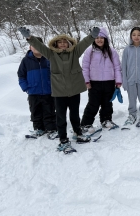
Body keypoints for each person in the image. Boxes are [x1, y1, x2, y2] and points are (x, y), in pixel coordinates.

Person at [18, 26, 100, 154]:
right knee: (60, 117)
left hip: (74, 90)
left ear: (68, 43)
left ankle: (78, 134)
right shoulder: (51, 54)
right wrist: (29, 37)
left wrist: (92, 36)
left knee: (74, 115)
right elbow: (39, 46)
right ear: (55, 44)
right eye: (60, 42)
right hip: (59, 92)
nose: (62, 44)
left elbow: (84, 43)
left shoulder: (75, 52)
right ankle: (63, 140)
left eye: (64, 42)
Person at [80, 27, 122, 131]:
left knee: (107, 103)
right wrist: (87, 81)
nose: (99, 40)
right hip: (94, 83)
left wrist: (118, 81)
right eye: (97, 37)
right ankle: (86, 123)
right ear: (93, 39)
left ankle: (106, 120)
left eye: (102, 37)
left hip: (109, 82)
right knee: (93, 104)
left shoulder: (111, 51)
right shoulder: (90, 51)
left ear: (106, 39)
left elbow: (117, 67)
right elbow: (85, 67)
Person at [17, 37, 57, 137]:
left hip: (49, 91)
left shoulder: (49, 59)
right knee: (35, 111)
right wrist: (26, 87)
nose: (36, 47)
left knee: (49, 111)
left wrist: (54, 86)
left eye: (38, 45)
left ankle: (51, 129)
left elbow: (56, 74)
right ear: (30, 47)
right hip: (33, 92)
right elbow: (21, 75)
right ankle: (39, 129)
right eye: (33, 45)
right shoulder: (26, 60)